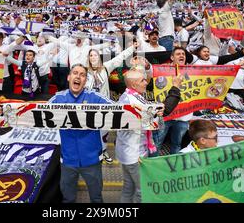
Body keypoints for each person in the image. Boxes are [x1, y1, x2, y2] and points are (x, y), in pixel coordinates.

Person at [47, 64, 113, 203]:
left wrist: (148, 113)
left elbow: (120, 111)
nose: (78, 76)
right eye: (75, 73)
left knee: (96, 198)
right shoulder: (58, 98)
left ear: (85, 80)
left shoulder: (95, 97)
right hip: (68, 161)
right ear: (69, 77)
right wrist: (7, 111)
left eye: (82, 75)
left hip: (93, 161)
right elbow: (36, 113)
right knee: (68, 199)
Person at [115, 68, 182, 203]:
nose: (147, 82)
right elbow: (163, 111)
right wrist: (175, 87)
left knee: (129, 187)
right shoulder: (132, 101)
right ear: (134, 85)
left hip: (128, 151)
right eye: (143, 80)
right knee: (142, 190)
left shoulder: (129, 96)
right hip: (134, 154)